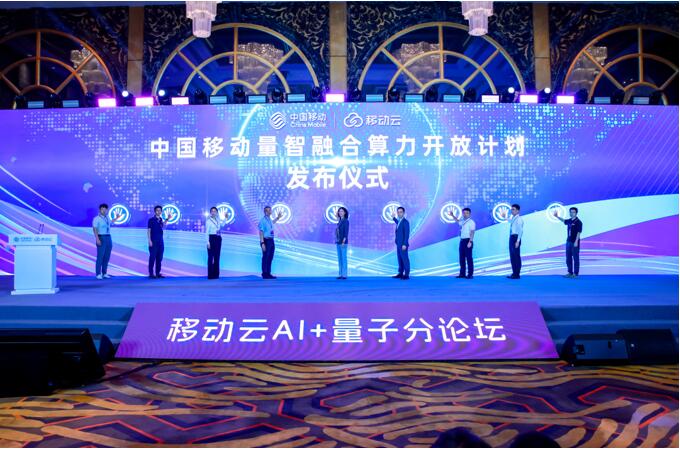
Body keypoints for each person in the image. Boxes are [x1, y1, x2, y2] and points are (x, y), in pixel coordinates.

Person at [554, 207, 582, 278]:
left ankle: (575, 274)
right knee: (568, 258)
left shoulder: (579, 222)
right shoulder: (569, 221)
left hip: (574, 242)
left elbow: (579, 233)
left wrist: (576, 242)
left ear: (576, 213)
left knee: (575, 258)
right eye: (571, 212)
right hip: (568, 242)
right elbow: (564, 221)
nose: (572, 213)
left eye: (573, 212)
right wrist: (557, 216)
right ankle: (570, 272)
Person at [449, 207, 475, 279]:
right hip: (462, 241)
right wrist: (452, 215)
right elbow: (458, 221)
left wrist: (470, 241)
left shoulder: (471, 222)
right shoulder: (463, 221)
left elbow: (472, 232)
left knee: (469, 258)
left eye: (467, 213)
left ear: (470, 214)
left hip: (468, 241)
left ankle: (470, 274)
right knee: (462, 258)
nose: (465, 214)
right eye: (464, 213)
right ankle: (462, 274)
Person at [258, 205, 283, 279]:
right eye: (268, 210)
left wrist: (278, 218)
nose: (270, 212)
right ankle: (264, 274)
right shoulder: (262, 221)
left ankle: (268, 273)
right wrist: (262, 243)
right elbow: (261, 232)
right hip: (266, 240)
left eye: (270, 210)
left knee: (270, 257)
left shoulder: (269, 219)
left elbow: (272, 223)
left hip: (271, 240)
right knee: (265, 257)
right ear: (265, 212)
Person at [147, 205, 171, 279]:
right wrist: (149, 240)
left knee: (159, 258)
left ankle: (157, 273)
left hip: (160, 242)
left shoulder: (160, 219)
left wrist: (167, 219)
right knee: (152, 258)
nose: (159, 211)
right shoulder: (151, 220)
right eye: (157, 210)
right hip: (153, 241)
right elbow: (149, 231)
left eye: (160, 210)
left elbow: (163, 226)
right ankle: (151, 274)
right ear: (155, 211)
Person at [206, 207, 229, 279]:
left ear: (217, 212)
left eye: (215, 211)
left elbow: (222, 225)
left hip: (218, 238)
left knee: (217, 256)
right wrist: (208, 242)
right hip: (211, 238)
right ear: (210, 213)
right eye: (212, 211)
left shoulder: (218, 219)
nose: (213, 212)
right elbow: (207, 232)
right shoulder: (208, 221)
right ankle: (210, 275)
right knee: (210, 257)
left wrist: (225, 218)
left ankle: (216, 274)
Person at [502, 204, 524, 279]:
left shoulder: (519, 219)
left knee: (516, 256)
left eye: (513, 209)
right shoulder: (514, 218)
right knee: (512, 256)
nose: (512, 211)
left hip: (515, 238)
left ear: (518, 210)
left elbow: (521, 231)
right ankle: (514, 273)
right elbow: (510, 221)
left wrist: (518, 241)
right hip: (512, 237)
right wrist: (504, 217)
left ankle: (517, 274)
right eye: (511, 209)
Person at [92, 203, 113, 280]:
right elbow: (95, 229)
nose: (104, 211)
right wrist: (97, 239)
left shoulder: (107, 218)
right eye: (102, 209)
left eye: (105, 210)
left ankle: (104, 273)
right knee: (100, 256)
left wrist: (117, 218)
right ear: (100, 210)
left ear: (107, 210)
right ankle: (98, 273)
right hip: (101, 237)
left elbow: (110, 223)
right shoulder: (96, 218)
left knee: (107, 256)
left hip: (108, 237)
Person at [391, 206, 410, 280]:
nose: (399, 213)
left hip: (403, 245)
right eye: (398, 212)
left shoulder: (405, 222)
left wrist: (405, 244)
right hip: (398, 244)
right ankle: (400, 273)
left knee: (405, 259)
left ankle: (406, 274)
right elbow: (398, 224)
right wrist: (393, 218)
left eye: (401, 212)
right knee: (400, 259)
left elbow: (407, 234)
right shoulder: (400, 221)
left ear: (404, 213)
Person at [335, 207, 349, 279]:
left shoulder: (346, 221)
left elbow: (346, 232)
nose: (340, 212)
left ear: (345, 212)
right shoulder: (339, 221)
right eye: (339, 211)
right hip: (338, 241)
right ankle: (340, 274)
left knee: (344, 258)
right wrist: (337, 218)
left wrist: (343, 241)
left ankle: (344, 274)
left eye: (342, 211)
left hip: (343, 242)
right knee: (339, 258)